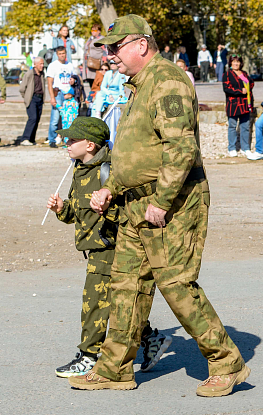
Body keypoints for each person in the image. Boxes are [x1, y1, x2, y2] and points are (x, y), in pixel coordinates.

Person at [73, 14, 249, 396]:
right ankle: (114, 369)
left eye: (115, 48)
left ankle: (226, 361)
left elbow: (181, 148)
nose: (110, 57)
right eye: (106, 49)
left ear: (141, 45)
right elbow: (139, 151)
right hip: (136, 203)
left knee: (176, 285)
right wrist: (112, 188)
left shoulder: (167, 80)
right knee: (126, 286)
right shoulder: (139, 85)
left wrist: (164, 200)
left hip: (171, 202)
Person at [47, 117, 172, 378]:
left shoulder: (111, 170)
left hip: (110, 246)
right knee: (117, 301)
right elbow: (76, 213)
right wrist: (61, 209)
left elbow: (128, 211)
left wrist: (107, 210)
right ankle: (151, 338)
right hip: (94, 246)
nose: (66, 144)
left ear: (90, 144)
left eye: (71, 140)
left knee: (94, 302)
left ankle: (89, 355)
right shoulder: (80, 168)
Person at [223, 54, 254, 157]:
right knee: (232, 126)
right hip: (233, 104)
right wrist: (240, 91)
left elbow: (251, 83)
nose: (236, 63)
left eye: (238, 61)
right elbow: (227, 89)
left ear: (241, 63)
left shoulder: (244, 73)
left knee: (245, 126)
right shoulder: (227, 74)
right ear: (231, 63)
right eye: (234, 61)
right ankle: (232, 148)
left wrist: (248, 86)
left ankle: (245, 148)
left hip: (245, 104)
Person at [47, 46, 78, 148]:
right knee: (55, 118)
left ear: (66, 53)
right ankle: (52, 139)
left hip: (68, 94)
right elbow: (49, 82)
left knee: (69, 118)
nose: (62, 55)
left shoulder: (69, 65)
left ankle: (68, 139)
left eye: (63, 53)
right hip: (58, 93)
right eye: (60, 54)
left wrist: (73, 80)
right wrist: (52, 97)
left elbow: (74, 77)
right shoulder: (53, 66)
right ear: (57, 54)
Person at [18, 57, 45, 146]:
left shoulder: (42, 74)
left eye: (42, 63)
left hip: (40, 98)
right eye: (40, 64)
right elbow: (22, 88)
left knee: (37, 119)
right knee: (32, 118)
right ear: (35, 64)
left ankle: (31, 139)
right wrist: (26, 98)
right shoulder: (29, 74)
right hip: (32, 98)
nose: (42, 65)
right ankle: (25, 138)